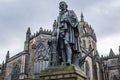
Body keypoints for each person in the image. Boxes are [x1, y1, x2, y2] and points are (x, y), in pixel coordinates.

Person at [56, 1, 80, 66]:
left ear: (66, 5)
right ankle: (64, 61)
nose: (61, 6)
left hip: (68, 30)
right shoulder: (59, 16)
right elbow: (56, 25)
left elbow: (75, 20)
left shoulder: (70, 12)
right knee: (62, 47)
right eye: (60, 5)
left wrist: (68, 20)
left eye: (62, 4)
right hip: (60, 31)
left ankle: (69, 60)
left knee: (67, 43)